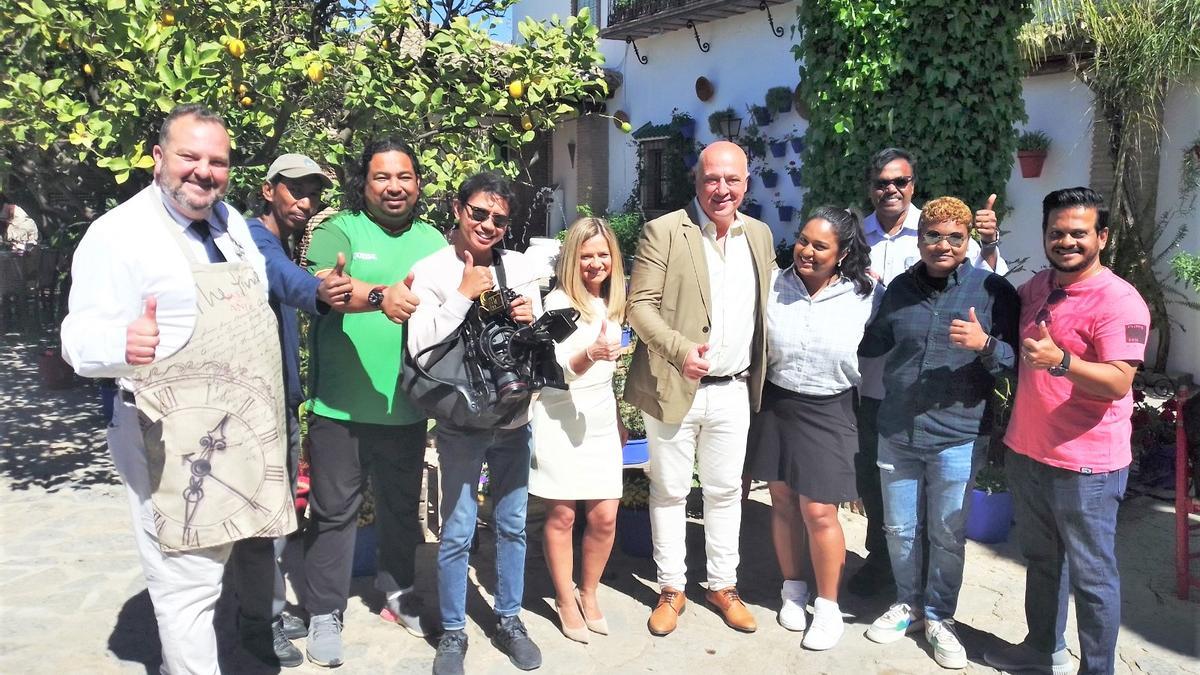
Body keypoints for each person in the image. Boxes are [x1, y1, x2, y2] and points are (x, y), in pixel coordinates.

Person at [60, 104, 295, 674]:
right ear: (159, 158)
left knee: (223, 555)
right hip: (164, 432)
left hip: (238, 427)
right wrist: (120, 343)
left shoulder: (233, 224)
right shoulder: (117, 234)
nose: (204, 172)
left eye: (217, 161)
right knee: (184, 576)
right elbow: (76, 335)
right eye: (190, 156)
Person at [984, 188, 1150, 675]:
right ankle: (1041, 649)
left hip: (1087, 467)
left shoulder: (1120, 300)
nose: (1067, 241)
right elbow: (1000, 303)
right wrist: (989, 245)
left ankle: (1096, 670)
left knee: (1093, 577)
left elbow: (1120, 380)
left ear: (1102, 237)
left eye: (1079, 233)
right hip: (1028, 452)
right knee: (1040, 560)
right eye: (1057, 233)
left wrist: (1062, 361)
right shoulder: (1039, 287)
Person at [301, 138, 446, 667]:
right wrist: (381, 295)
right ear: (363, 182)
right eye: (382, 177)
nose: (394, 187)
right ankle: (323, 613)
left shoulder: (433, 241)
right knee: (332, 514)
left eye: (404, 177)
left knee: (401, 511)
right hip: (339, 408)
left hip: (406, 407)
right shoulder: (338, 230)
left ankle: (399, 594)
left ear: (417, 184)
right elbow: (324, 284)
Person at [858, 196, 1019, 670]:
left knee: (947, 535)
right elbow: (872, 343)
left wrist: (986, 344)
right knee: (900, 529)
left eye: (954, 236)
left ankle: (939, 617)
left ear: (967, 240)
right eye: (933, 234)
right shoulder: (900, 289)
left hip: (958, 435)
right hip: (898, 431)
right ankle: (908, 606)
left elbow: (1018, 361)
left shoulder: (991, 290)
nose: (943, 245)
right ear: (920, 237)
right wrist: (859, 293)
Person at [624, 140, 776, 636]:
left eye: (732, 179)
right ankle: (671, 587)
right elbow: (639, 306)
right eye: (712, 179)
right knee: (668, 490)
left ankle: (722, 585)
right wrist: (679, 350)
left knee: (726, 491)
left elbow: (772, 302)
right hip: (673, 385)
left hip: (733, 389)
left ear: (746, 184)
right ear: (697, 182)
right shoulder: (665, 231)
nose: (722, 189)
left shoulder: (760, 235)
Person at [850, 147, 1008, 597]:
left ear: (912, 185)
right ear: (871, 188)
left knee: (935, 505)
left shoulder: (939, 229)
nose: (891, 190)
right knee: (881, 489)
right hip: (875, 384)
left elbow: (987, 283)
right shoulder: (857, 236)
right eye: (882, 182)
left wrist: (991, 242)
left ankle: (927, 593)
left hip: (938, 389)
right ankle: (884, 567)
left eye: (900, 181)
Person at [407, 172, 544, 675]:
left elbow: (535, 350)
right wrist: (464, 293)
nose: (487, 225)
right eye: (479, 213)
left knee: (512, 525)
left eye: (499, 219)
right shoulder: (432, 270)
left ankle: (509, 619)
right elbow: (421, 347)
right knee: (458, 530)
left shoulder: (519, 269)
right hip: (461, 420)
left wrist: (533, 320)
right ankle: (453, 631)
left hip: (513, 417)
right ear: (459, 210)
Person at [744, 207, 879, 651]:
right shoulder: (775, 285)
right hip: (778, 404)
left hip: (830, 408)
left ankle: (827, 605)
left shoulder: (866, 294)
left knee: (820, 511)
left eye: (820, 245)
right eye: (803, 240)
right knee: (782, 501)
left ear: (841, 253)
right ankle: (792, 588)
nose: (806, 250)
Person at [241, 153, 353, 667]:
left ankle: (266, 607)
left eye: (313, 192)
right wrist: (320, 290)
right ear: (269, 189)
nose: (305, 202)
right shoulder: (252, 238)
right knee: (265, 518)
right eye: (294, 190)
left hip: (279, 395)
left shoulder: (280, 240)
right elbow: (282, 279)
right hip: (256, 403)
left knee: (280, 510)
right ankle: (257, 625)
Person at [529, 217, 627, 643]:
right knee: (563, 515)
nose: (595, 263)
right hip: (559, 415)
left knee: (604, 516)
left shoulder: (613, 302)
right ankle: (565, 599)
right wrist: (590, 352)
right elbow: (561, 370)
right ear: (572, 259)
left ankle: (589, 592)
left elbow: (608, 376)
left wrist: (620, 416)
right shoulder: (557, 305)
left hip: (601, 416)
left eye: (602, 254)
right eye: (586, 255)